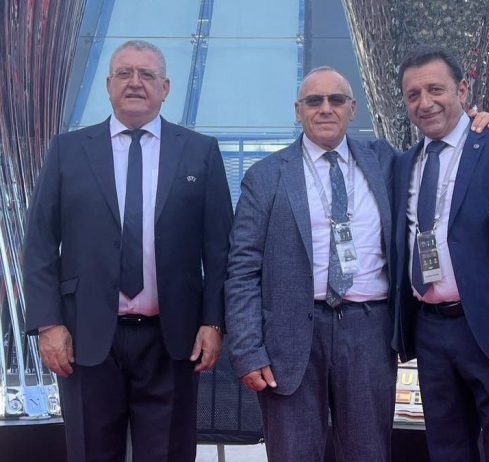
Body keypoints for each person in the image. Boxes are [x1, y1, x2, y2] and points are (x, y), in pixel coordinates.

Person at [23, 40, 233, 462]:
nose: (135, 82)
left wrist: (214, 322)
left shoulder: (200, 152)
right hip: (85, 339)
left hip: (172, 339)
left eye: (147, 75)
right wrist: (48, 324)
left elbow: (219, 248)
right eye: (124, 73)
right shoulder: (67, 151)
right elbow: (40, 244)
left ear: (166, 88)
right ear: (108, 85)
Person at [225, 66, 397, 461]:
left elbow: (436, 152)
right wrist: (248, 350)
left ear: (352, 109)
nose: (325, 108)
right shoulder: (265, 176)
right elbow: (243, 269)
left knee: (369, 452)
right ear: (298, 110)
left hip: (369, 330)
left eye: (336, 100)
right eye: (314, 101)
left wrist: (481, 126)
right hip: (289, 337)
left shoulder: (384, 162)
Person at [393, 45, 489, 461]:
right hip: (431, 332)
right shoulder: (403, 164)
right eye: (413, 94)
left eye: (435, 89)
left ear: (462, 90)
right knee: (447, 449)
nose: (425, 103)